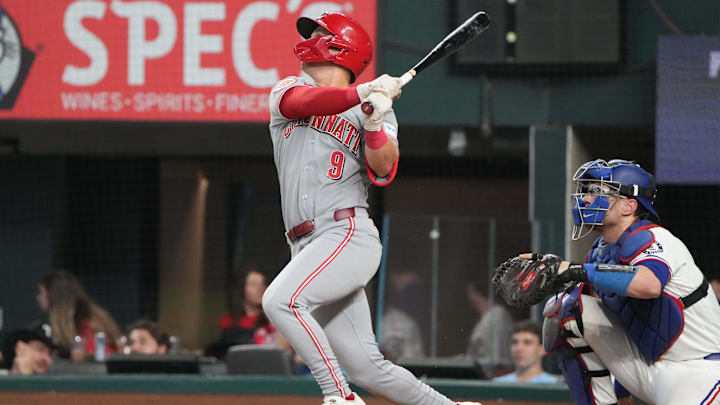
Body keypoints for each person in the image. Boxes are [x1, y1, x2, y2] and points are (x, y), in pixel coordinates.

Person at [262, 11, 481, 405]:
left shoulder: (375, 107)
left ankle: (339, 397)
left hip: (346, 233)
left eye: (318, 33)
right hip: (306, 246)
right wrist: (363, 94)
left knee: (280, 301)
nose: (309, 38)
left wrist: (376, 120)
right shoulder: (288, 89)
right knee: (366, 366)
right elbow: (305, 102)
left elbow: (384, 171)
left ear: (340, 47)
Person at [522, 159, 720, 404]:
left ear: (629, 206)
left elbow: (649, 285)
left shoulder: (656, 238)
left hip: (699, 372)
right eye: (586, 191)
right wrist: (622, 393)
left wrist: (573, 269)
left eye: (597, 192)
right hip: (648, 370)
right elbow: (621, 321)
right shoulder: (600, 252)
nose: (585, 199)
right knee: (566, 309)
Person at [37, 271, 122, 360]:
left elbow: (103, 355)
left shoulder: (86, 325)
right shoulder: (95, 317)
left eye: (41, 292)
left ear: (51, 296)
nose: (38, 298)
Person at [205, 267, 284, 359]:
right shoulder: (229, 320)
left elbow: (284, 350)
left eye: (262, 284)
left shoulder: (272, 318)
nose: (261, 288)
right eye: (254, 284)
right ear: (242, 289)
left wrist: (271, 315)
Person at [466, 280, 513, 377]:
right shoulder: (488, 317)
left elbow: (498, 358)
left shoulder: (496, 316)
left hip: (492, 378)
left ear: (474, 293)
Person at [492, 320, 559, 384]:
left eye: (527, 342)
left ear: (542, 350)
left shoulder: (555, 386)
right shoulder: (497, 384)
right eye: (514, 342)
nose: (519, 348)